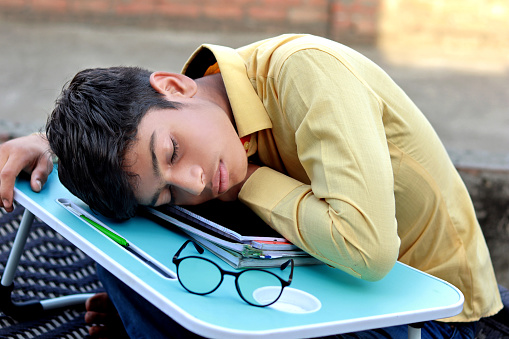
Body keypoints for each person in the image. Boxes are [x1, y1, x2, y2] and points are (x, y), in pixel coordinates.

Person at [0, 34, 502, 338]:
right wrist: (54, 146)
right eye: (171, 190)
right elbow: (137, 143)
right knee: (112, 234)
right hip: (321, 282)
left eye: (172, 152)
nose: (194, 181)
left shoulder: (306, 72)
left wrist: (250, 184)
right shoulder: (202, 115)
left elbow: (366, 249)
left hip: (435, 320)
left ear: (175, 85)